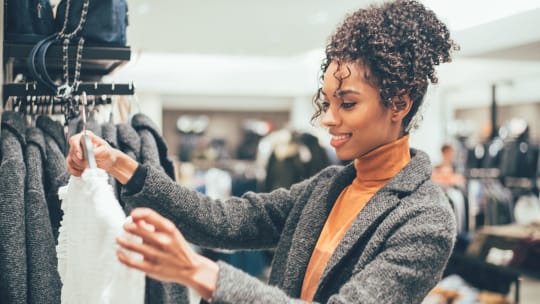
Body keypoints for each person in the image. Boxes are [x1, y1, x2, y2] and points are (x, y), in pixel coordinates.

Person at [66, 0, 458, 302]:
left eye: (349, 104)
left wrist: (202, 272)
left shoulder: (425, 218)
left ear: (399, 104)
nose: (328, 119)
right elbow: (226, 221)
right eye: (328, 103)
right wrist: (120, 165)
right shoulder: (330, 187)